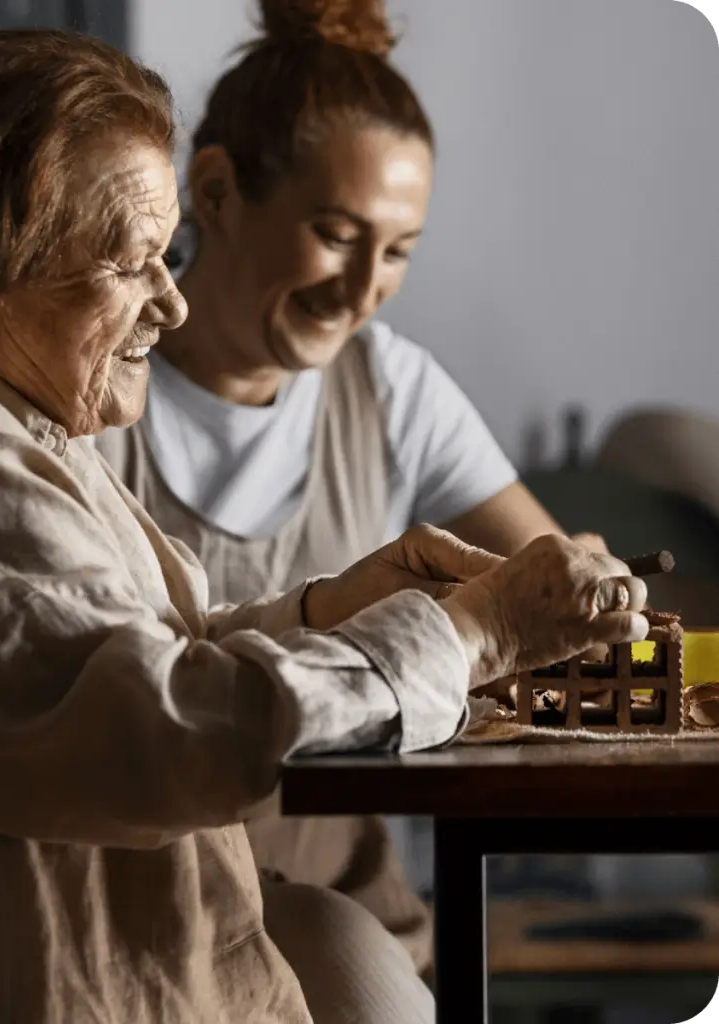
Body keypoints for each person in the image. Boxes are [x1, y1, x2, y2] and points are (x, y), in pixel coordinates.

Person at [0, 25, 647, 1024]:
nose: (169, 305)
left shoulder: (31, 426)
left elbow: (108, 662)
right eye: (132, 262)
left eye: (164, 256)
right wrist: (473, 629)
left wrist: (330, 607)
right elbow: (154, 727)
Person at [96, 0, 606, 976]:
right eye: (334, 233)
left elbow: (547, 589)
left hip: (357, 923)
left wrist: (578, 589)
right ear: (215, 188)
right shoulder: (94, 386)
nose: (365, 284)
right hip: (140, 938)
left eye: (399, 249)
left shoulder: (389, 385)